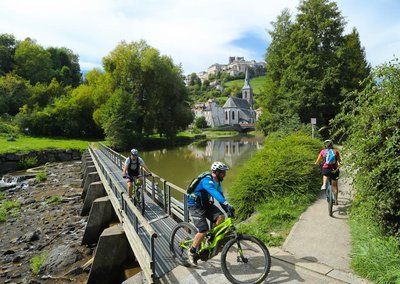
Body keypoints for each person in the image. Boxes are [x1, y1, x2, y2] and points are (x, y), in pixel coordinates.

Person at [186, 161, 234, 266]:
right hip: (195, 204)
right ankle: (191, 251)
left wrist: (227, 209)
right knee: (203, 230)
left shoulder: (218, 182)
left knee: (221, 217)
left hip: (206, 203)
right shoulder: (207, 180)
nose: (224, 175)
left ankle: (210, 238)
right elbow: (213, 192)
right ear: (216, 172)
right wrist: (226, 203)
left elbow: (221, 196)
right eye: (223, 173)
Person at [314, 139, 341, 205]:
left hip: (326, 168)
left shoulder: (323, 152)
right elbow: (339, 161)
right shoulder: (336, 151)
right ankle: (336, 200)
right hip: (334, 169)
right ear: (332, 145)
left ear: (325, 146)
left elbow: (317, 161)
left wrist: (316, 164)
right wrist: (339, 165)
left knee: (325, 174)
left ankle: (324, 184)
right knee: (335, 186)